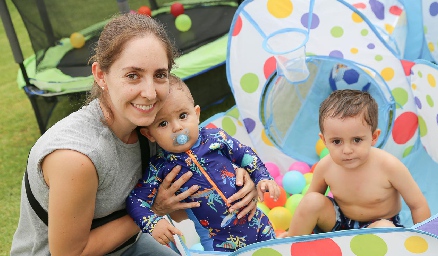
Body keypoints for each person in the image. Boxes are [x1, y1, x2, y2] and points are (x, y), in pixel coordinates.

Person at [11, 13, 259, 256]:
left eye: (159, 75)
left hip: (129, 243)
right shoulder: (77, 157)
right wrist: (155, 209)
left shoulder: (155, 125)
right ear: (100, 75)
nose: (150, 93)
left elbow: (184, 198)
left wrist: (238, 182)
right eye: (133, 75)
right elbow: (69, 252)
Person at [126, 79, 279, 252]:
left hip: (259, 224)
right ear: (149, 134)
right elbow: (136, 200)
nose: (177, 127)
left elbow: (245, 154)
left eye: (183, 116)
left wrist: (262, 177)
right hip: (219, 244)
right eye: (163, 123)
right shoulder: (159, 168)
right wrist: (153, 223)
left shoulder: (217, 139)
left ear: (196, 114)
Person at [281, 89, 431, 237]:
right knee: (312, 201)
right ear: (324, 140)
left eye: (357, 140)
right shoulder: (326, 166)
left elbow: (418, 205)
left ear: (373, 137)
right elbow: (309, 202)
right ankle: (291, 244)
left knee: (384, 227)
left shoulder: (389, 166)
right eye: (337, 141)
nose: (347, 150)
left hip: (379, 224)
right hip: (340, 222)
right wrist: (293, 230)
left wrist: (425, 241)